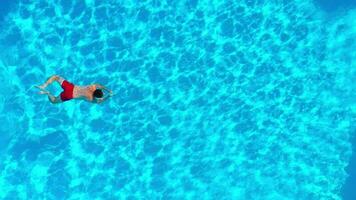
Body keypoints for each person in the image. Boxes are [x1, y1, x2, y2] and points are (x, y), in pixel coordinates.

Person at [36, 75, 113, 104]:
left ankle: (44, 86)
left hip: (70, 87)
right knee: (54, 101)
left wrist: (108, 90)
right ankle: (48, 93)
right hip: (70, 95)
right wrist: (109, 96)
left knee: (56, 77)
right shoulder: (91, 98)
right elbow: (100, 101)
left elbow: (100, 85)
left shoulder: (93, 86)